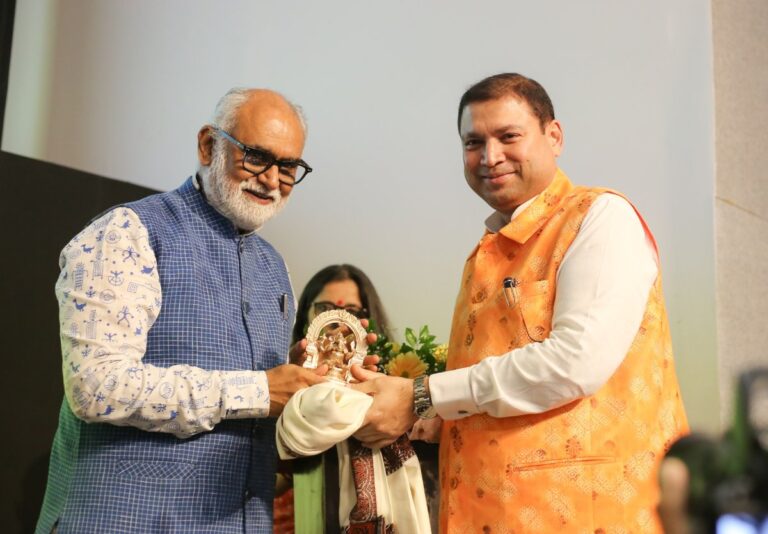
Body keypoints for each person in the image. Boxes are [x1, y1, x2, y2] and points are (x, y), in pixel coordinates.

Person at [350, 73, 690, 532]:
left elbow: (575, 363)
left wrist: (424, 396)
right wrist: (438, 417)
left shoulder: (601, 218)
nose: (490, 157)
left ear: (554, 136)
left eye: (508, 136)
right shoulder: (488, 250)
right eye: (473, 142)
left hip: (588, 515)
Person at [36, 88, 331, 533]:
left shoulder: (275, 268)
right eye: (256, 157)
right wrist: (258, 390)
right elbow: (96, 386)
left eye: (288, 167)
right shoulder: (126, 232)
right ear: (209, 145)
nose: (272, 179)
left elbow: (260, 409)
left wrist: (313, 387)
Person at [274, 264, 393, 533]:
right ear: (306, 314)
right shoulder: (277, 382)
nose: (339, 322)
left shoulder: (386, 388)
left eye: (352, 311)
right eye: (325, 308)